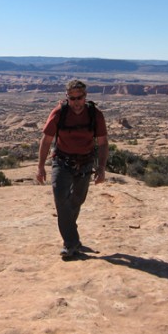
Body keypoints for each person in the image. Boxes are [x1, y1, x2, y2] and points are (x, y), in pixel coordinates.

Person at [37, 79, 109, 257]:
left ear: (85, 96)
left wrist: (101, 168)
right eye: (72, 98)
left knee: (76, 201)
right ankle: (71, 243)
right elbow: (46, 141)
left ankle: (70, 232)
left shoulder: (95, 114)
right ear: (67, 97)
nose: (76, 102)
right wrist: (40, 167)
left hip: (85, 163)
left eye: (80, 98)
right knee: (61, 199)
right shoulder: (59, 113)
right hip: (62, 162)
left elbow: (103, 143)